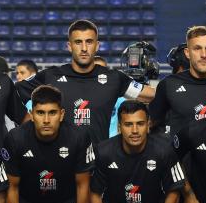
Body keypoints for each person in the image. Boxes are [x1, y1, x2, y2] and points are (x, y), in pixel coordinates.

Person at [16, 19, 155, 144]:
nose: (84, 48)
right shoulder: (50, 76)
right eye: (78, 42)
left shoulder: (114, 79)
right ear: (69, 46)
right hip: (61, 163)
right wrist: (31, 124)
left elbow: (151, 95)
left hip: (99, 164)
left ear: (97, 45)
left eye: (89, 42)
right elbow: (13, 92)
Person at [3, 85, 94, 203]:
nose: (46, 120)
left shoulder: (78, 137)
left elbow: (83, 185)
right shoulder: (15, 139)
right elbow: (12, 187)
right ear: (32, 115)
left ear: (61, 114)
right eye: (40, 113)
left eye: (52, 113)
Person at [91, 100, 185, 203]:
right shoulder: (103, 151)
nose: (135, 130)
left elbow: (173, 192)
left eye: (140, 124)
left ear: (148, 124)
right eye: (128, 124)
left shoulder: (165, 150)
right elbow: (95, 194)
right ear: (119, 126)